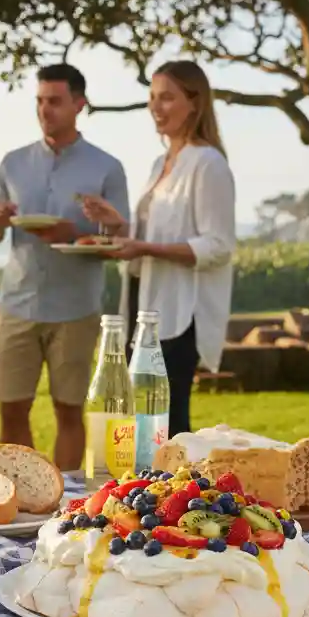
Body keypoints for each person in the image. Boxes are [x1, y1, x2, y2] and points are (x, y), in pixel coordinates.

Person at [0, 62, 130, 472]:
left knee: (68, 411)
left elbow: (119, 240)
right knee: (11, 411)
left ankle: (65, 503)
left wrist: (72, 232)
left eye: (56, 102)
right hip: (17, 303)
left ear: (79, 104)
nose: (46, 110)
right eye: (40, 101)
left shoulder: (106, 167)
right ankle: (23, 494)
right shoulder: (12, 163)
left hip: (75, 309)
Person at [81, 60, 236, 437]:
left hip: (181, 312)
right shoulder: (161, 163)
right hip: (144, 303)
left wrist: (143, 247)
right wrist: (118, 224)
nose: (155, 107)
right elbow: (156, 233)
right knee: (139, 421)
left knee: (168, 422)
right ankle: (142, 493)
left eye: (167, 97)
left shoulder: (208, 163)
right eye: (152, 98)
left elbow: (218, 246)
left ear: (195, 103)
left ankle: (181, 495)